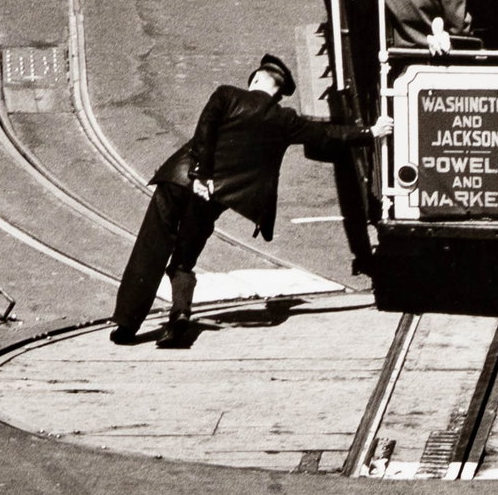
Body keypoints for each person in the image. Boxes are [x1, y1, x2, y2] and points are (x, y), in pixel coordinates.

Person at [109, 53, 392, 348]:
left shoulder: (227, 95)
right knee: (185, 257)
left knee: (151, 247)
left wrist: (201, 174)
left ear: (255, 79)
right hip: (215, 196)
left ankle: (127, 325)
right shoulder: (285, 120)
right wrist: (370, 131)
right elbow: (327, 134)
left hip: (179, 180)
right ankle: (180, 314)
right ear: (279, 93)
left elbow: (204, 130)